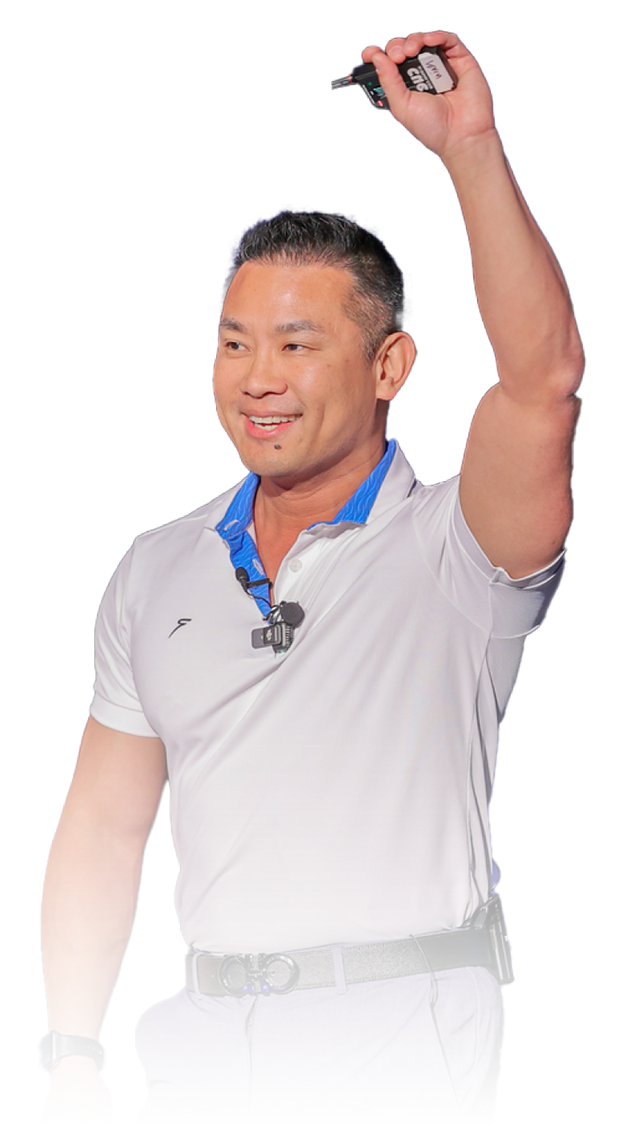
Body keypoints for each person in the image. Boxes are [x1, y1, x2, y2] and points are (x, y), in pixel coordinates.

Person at [39, 29, 583, 1125]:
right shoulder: (156, 565)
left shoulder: (456, 543)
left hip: (397, 1028)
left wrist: (469, 145)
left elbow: (543, 380)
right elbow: (102, 825)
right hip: (195, 1039)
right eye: (235, 343)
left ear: (388, 365)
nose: (257, 379)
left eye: (295, 345)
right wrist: (73, 1053)